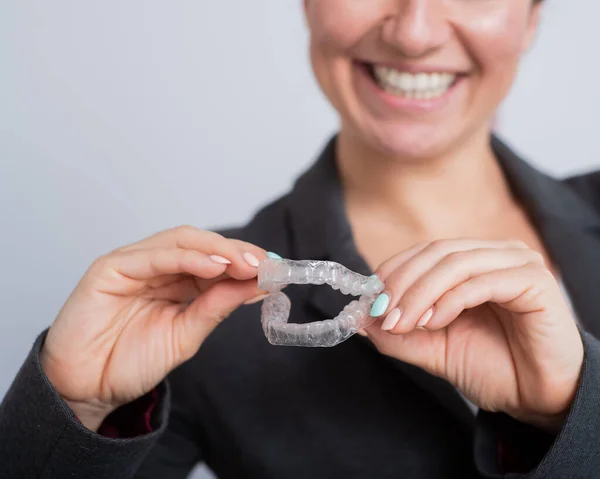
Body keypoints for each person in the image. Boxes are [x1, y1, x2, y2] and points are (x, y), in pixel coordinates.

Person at [2, 0, 599, 477]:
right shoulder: (191, 311)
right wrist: (73, 411)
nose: (414, 32)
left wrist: (570, 411)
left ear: (532, 16)